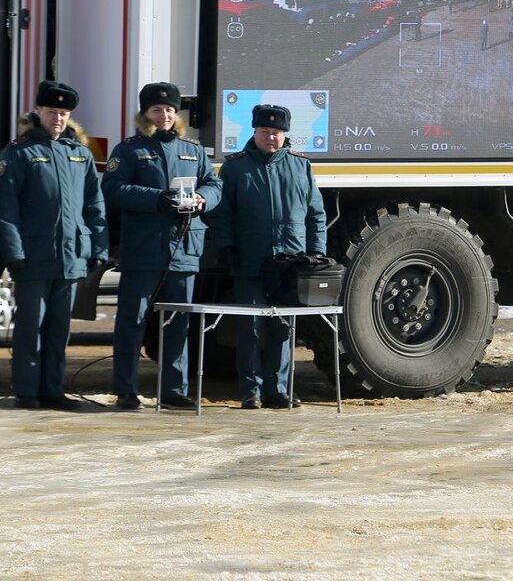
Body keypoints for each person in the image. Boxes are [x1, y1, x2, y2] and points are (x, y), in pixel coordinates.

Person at [103, 82, 221, 411]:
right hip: (144, 249)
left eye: (170, 110)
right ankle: (125, 389)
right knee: (131, 320)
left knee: (178, 322)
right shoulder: (129, 150)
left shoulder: (192, 150)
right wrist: (157, 199)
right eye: (158, 110)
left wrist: (203, 199)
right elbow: (112, 188)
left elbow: (214, 183)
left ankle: (174, 390)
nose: (165, 115)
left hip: (184, 249)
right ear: (146, 113)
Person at [209, 104, 326, 409]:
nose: (270, 138)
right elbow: (223, 215)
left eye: (276, 133)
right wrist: (226, 247)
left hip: (290, 263)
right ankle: (251, 390)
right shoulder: (235, 168)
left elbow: (316, 215)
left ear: (285, 134)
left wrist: (316, 252)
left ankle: (279, 390)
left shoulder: (301, 167)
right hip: (250, 261)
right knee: (250, 328)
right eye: (265, 132)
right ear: (254, 132)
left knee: (284, 328)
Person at [0, 80, 107, 410]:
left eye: (63, 113)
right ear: (38, 113)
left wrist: (97, 247)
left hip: (72, 256)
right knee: (30, 328)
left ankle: (52, 389)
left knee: (60, 328)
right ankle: (28, 391)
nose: (57, 118)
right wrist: (13, 251)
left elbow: (95, 204)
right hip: (33, 256)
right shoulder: (19, 152)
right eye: (51, 112)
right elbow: (7, 207)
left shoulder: (80, 154)